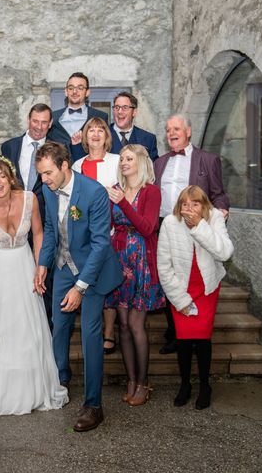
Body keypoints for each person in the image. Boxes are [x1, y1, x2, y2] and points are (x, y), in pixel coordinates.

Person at [0, 156, 68, 415]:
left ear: (11, 178)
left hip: (24, 266)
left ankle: (31, 387)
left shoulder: (29, 199)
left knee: (27, 327)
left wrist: (40, 267)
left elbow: (39, 233)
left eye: (2, 176)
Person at [34, 142, 122, 432]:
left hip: (92, 272)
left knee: (90, 334)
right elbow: (50, 229)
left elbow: (100, 244)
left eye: (47, 173)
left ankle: (93, 404)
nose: (43, 180)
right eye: (41, 174)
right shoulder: (48, 189)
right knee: (59, 326)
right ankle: (61, 379)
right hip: (62, 267)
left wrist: (81, 286)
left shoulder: (94, 192)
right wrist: (43, 264)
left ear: (63, 166)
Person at [154, 114, 230, 355]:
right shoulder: (159, 163)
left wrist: (221, 210)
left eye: (176, 128)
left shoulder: (207, 160)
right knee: (169, 276)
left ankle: (194, 335)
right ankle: (176, 333)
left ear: (188, 131)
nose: (171, 133)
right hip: (166, 226)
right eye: (168, 130)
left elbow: (218, 193)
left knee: (192, 277)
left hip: (195, 228)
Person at [157, 186, 234, 410]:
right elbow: (164, 265)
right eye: (185, 204)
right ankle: (185, 385)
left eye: (195, 203)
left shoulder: (215, 219)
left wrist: (199, 227)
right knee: (182, 340)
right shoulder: (170, 223)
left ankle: (204, 385)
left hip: (207, 288)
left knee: (201, 340)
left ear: (204, 205)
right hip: (180, 288)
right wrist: (178, 299)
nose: (189, 208)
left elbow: (225, 253)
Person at [104, 144, 165, 406]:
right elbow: (108, 225)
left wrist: (124, 204)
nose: (123, 163)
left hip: (141, 261)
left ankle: (143, 382)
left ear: (141, 161)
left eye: (129, 159)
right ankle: (130, 380)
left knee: (137, 325)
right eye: (122, 159)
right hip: (118, 261)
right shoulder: (115, 191)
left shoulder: (151, 192)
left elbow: (148, 227)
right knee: (123, 325)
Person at [1, 103, 54, 326]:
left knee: (46, 279)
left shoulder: (56, 149)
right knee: (17, 282)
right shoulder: (9, 147)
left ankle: (46, 328)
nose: (39, 127)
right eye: (35, 121)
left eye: (44, 122)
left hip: (47, 223)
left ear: (50, 124)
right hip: (15, 224)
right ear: (28, 120)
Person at [70, 117, 120, 355]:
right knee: (89, 282)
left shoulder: (117, 161)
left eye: (101, 130)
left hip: (111, 231)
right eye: (91, 130)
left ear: (107, 136)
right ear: (85, 136)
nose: (96, 134)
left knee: (107, 282)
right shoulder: (77, 165)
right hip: (84, 235)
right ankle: (92, 329)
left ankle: (109, 332)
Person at [47, 72, 109, 162]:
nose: (75, 91)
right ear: (66, 91)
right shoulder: (53, 117)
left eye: (80, 88)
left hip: (89, 171)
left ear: (87, 92)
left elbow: (106, 147)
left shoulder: (101, 116)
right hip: (60, 172)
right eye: (71, 88)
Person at [109, 92, 159, 161]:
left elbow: (152, 168)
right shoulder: (103, 135)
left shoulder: (148, 139)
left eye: (125, 107)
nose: (120, 111)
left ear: (134, 112)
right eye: (117, 107)